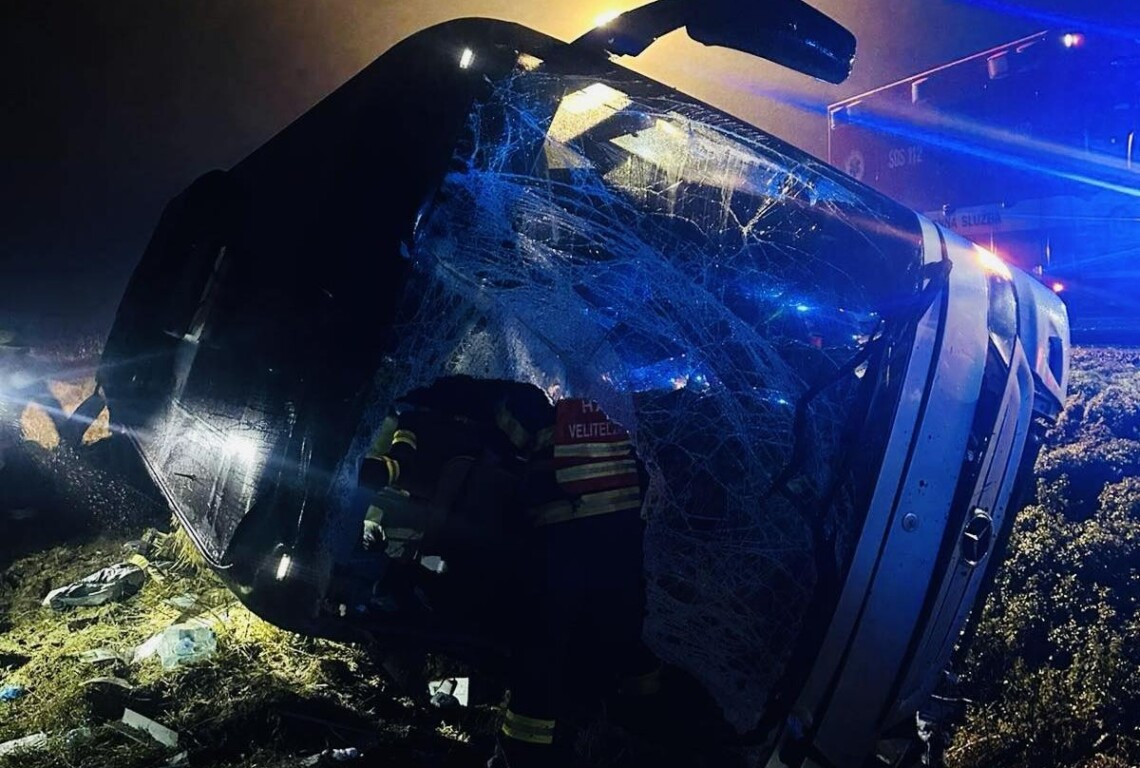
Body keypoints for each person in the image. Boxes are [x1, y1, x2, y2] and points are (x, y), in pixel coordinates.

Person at [357, 375, 660, 768]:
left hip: (567, 530)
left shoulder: (521, 401)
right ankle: (644, 725)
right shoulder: (612, 406)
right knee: (623, 632)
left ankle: (523, 753)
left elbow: (494, 432)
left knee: (541, 645)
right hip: (623, 533)